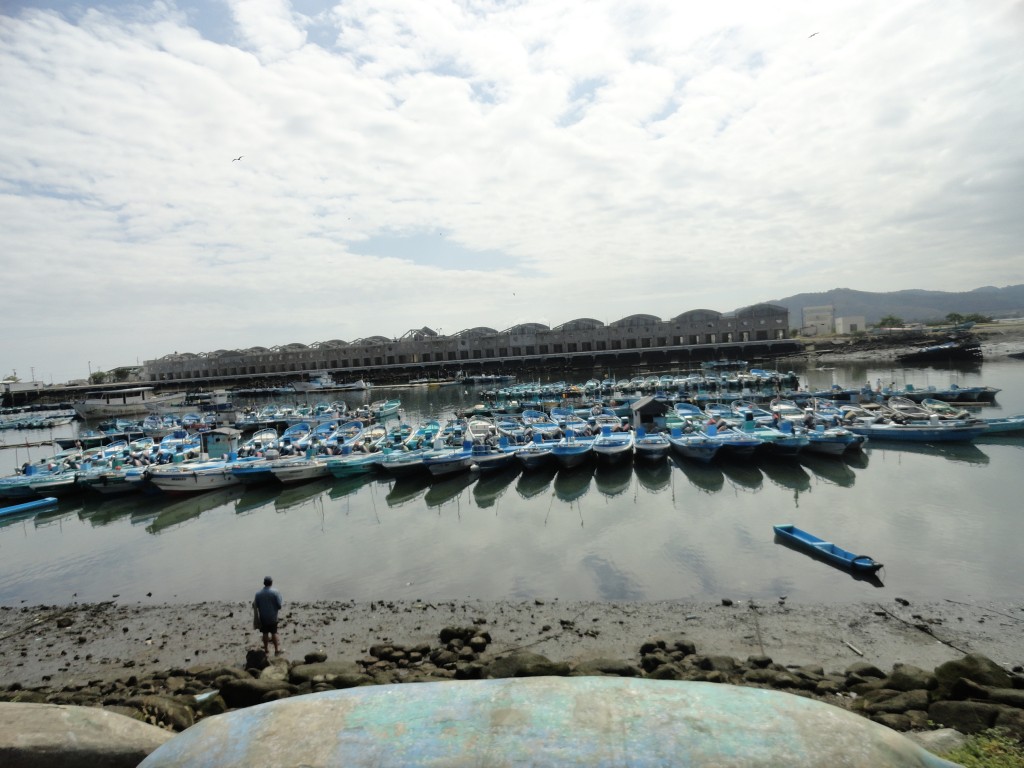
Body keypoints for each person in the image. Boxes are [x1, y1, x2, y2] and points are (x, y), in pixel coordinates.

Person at [253, 576, 283, 656]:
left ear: (264, 583)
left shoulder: (258, 594)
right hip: (273, 617)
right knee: (274, 633)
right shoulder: (275, 592)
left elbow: (256, 605)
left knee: (265, 633)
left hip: (263, 617)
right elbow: (279, 605)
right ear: (271, 583)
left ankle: (266, 649)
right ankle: (276, 650)